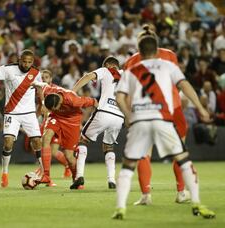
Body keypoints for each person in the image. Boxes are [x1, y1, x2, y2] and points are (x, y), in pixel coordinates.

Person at [112, 34, 215, 220]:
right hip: (164, 118)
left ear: (139, 50)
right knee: (184, 159)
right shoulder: (168, 64)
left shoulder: (131, 68)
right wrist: (200, 108)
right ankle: (194, 200)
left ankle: (123, 206)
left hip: (140, 120)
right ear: (157, 48)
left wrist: (128, 116)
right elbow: (185, 86)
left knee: (129, 165)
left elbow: (120, 97)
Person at [124, 24, 189, 205]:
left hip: (144, 111)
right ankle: (181, 193)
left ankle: (146, 195)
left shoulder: (132, 61)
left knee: (144, 153)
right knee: (180, 152)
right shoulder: (170, 55)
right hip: (172, 108)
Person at [0, 49, 42, 188]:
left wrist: (42, 104)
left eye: (29, 62)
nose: (26, 64)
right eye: (24, 61)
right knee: (8, 143)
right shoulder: (8, 69)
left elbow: (39, 89)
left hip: (29, 113)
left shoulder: (36, 73)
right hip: (12, 113)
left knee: (37, 142)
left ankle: (44, 173)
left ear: (32, 62)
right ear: (19, 59)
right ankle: (5, 173)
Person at [71, 56, 124, 190]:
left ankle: (79, 176)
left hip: (104, 111)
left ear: (107, 64)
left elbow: (88, 76)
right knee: (109, 147)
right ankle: (112, 180)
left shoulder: (106, 70)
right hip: (119, 116)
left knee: (83, 140)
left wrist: (72, 92)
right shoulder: (126, 74)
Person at [32, 80, 98, 185]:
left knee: (69, 156)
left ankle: (76, 179)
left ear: (60, 103)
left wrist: (99, 116)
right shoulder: (50, 91)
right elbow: (40, 85)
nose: (52, 110)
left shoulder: (74, 100)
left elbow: (94, 101)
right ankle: (46, 176)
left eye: (54, 108)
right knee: (45, 138)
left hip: (72, 122)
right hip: (56, 118)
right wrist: (33, 83)